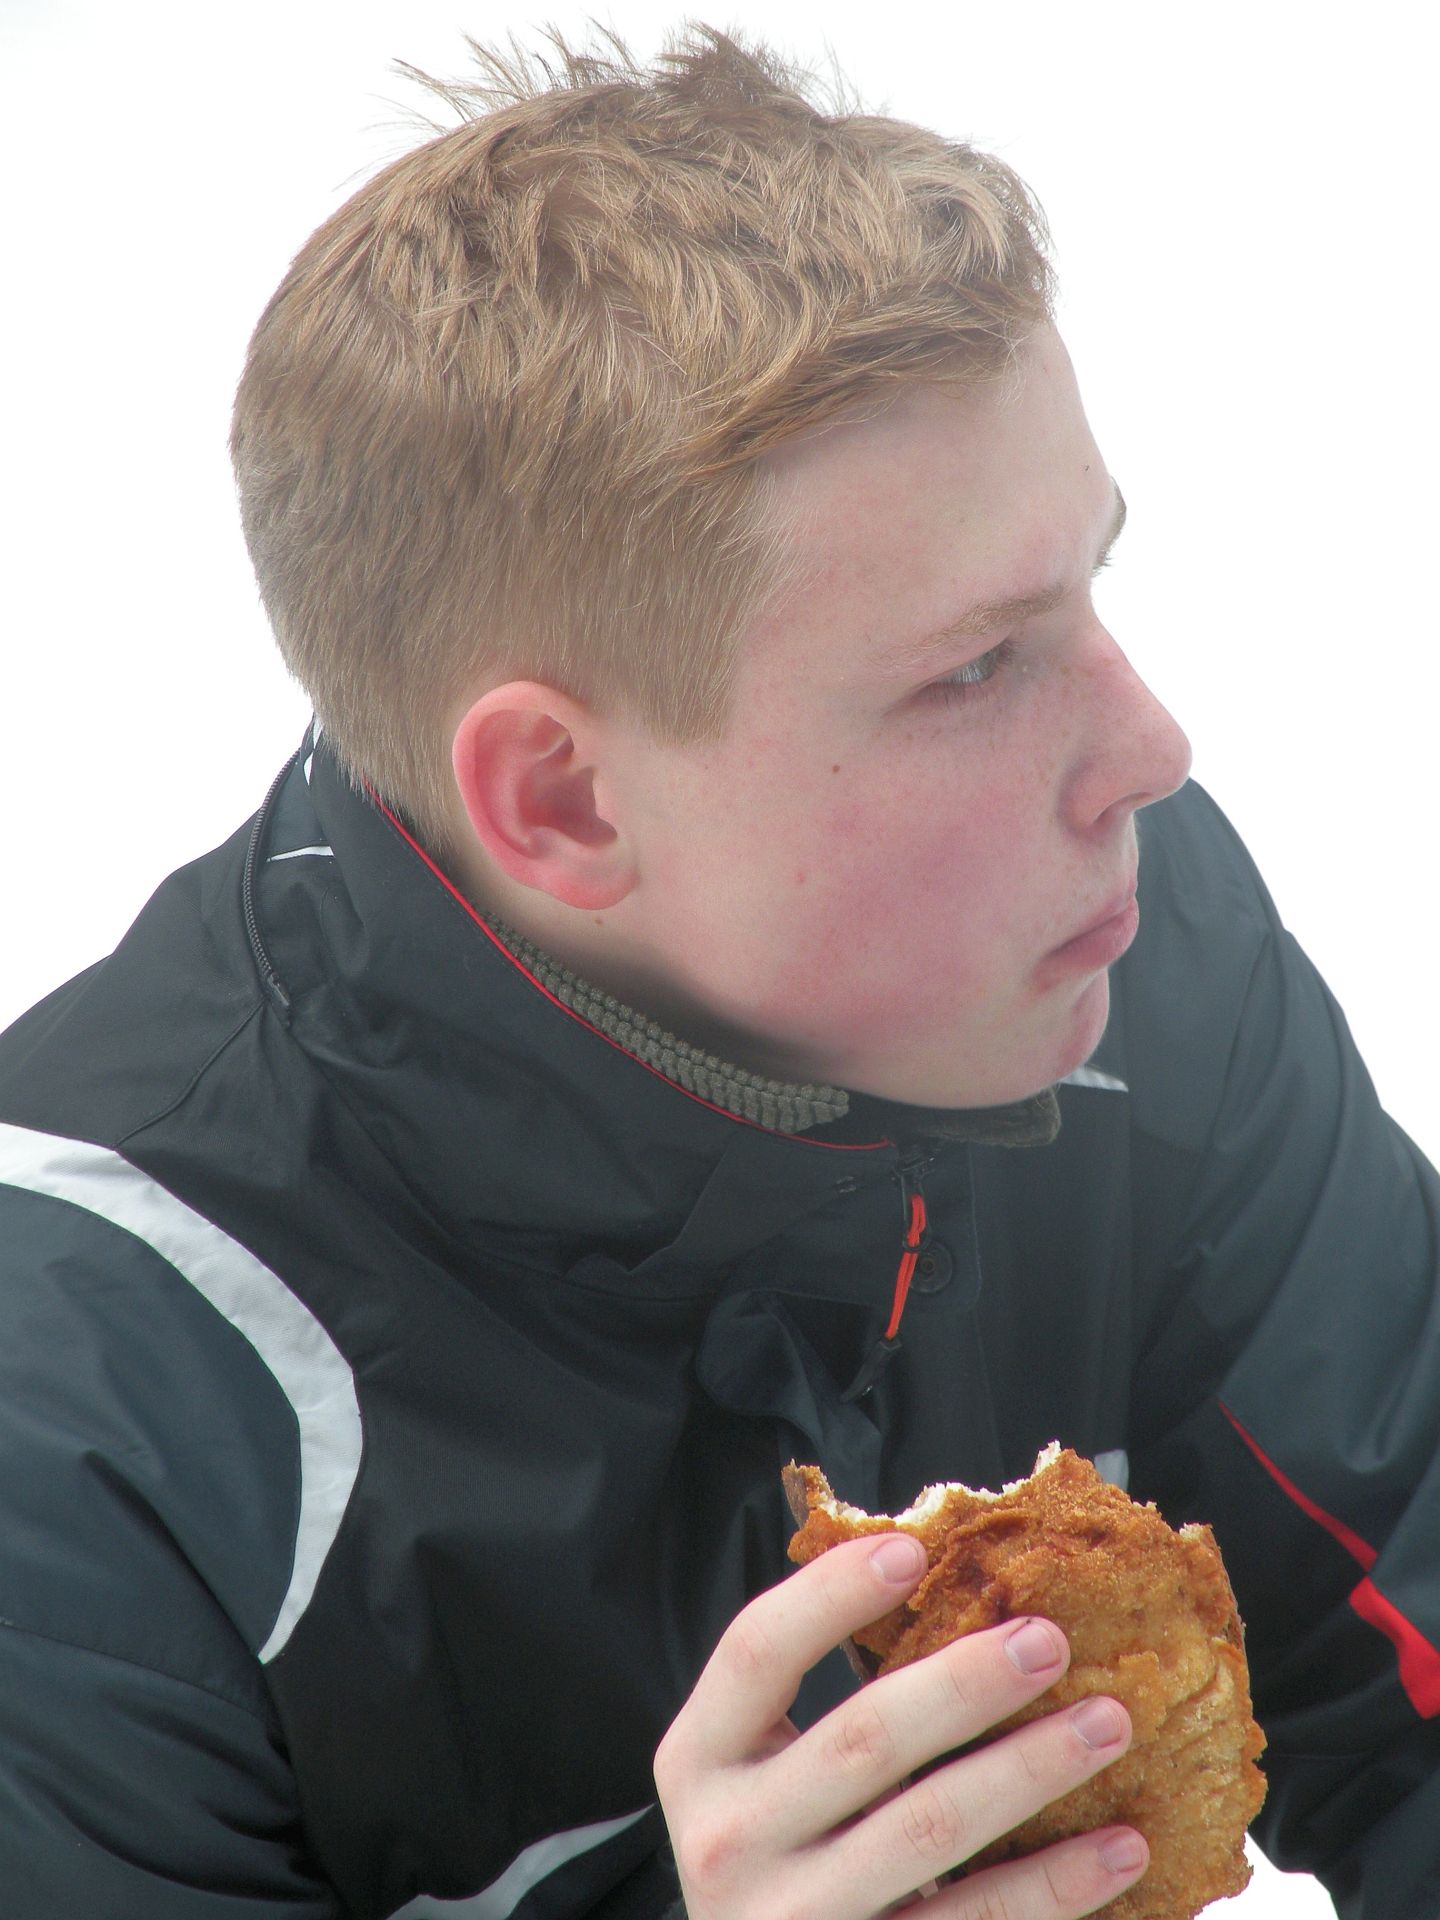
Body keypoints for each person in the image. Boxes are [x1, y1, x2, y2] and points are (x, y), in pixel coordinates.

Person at [0, 24, 1434, 1920]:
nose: (1150, 749)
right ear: (564, 797)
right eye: (975, 667)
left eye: (1094, 581)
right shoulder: (82, 1401)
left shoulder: (1110, 951)